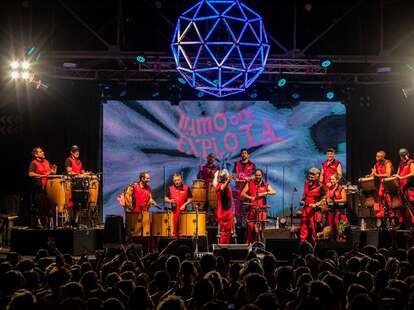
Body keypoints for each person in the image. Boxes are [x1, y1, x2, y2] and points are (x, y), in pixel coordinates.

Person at [241, 168, 276, 244]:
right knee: (251, 231)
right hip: (252, 211)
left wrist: (264, 193)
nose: (258, 177)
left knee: (260, 231)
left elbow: (274, 192)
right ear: (254, 175)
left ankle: (261, 246)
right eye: (256, 175)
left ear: (262, 176)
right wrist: (251, 197)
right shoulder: (250, 183)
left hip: (261, 212)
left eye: (259, 175)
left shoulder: (265, 184)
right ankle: (250, 248)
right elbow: (242, 193)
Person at [28, 147, 57, 227]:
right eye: (40, 152)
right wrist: (42, 175)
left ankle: (49, 223)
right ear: (36, 154)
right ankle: (39, 223)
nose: (43, 152)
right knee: (39, 206)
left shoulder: (47, 161)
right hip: (39, 188)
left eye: (42, 151)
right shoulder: (33, 163)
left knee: (49, 206)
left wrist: (54, 169)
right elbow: (30, 174)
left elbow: (53, 173)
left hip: (48, 188)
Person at [300, 168, 325, 245]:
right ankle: (302, 246)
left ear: (318, 175)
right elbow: (305, 193)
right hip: (306, 209)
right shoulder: (306, 183)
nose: (311, 176)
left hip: (315, 210)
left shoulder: (321, 186)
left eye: (313, 175)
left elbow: (325, 198)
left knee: (314, 230)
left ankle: (315, 249)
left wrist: (317, 204)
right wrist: (302, 200)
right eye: (310, 174)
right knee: (303, 228)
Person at [164, 173, 192, 238]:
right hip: (174, 213)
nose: (176, 182)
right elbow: (165, 198)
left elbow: (190, 199)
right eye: (175, 180)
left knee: (183, 231)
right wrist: (170, 201)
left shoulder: (186, 187)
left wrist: (185, 204)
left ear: (181, 180)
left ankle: (183, 245)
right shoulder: (170, 188)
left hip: (183, 213)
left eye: (178, 180)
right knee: (174, 231)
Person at [233, 149, 256, 223]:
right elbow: (233, 174)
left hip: (247, 190)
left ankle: (247, 222)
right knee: (238, 207)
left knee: (247, 206)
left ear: (248, 155)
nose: (244, 154)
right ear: (241, 155)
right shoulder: (236, 163)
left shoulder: (252, 165)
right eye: (242, 153)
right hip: (238, 188)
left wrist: (247, 178)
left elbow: (254, 176)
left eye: (245, 153)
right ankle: (238, 223)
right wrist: (236, 178)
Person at [370, 150, 393, 219]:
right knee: (380, 197)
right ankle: (382, 214)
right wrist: (369, 175)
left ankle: (393, 216)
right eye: (376, 156)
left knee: (388, 199)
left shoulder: (387, 163)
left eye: (378, 156)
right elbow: (373, 174)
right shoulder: (376, 164)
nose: (376, 158)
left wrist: (377, 174)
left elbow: (388, 174)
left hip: (389, 183)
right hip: (382, 184)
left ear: (382, 157)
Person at [325, 173, 348, 241]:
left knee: (341, 230)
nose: (331, 180)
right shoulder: (329, 189)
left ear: (337, 180)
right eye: (331, 179)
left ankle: (342, 243)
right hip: (331, 212)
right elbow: (327, 198)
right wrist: (327, 201)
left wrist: (335, 201)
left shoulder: (341, 188)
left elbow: (344, 200)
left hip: (340, 212)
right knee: (332, 230)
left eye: (333, 179)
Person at [395, 148, 414, 227]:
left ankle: (413, 223)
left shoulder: (411, 162)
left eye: (404, 155)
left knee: (411, 205)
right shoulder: (401, 164)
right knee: (402, 207)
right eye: (401, 156)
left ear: (407, 154)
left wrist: (402, 177)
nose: (403, 157)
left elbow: (413, 173)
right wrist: (396, 177)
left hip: (409, 187)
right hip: (402, 187)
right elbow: (398, 174)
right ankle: (403, 223)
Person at [215, 169, 234, 244]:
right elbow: (222, 188)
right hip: (225, 213)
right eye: (227, 176)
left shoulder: (219, 185)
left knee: (226, 233)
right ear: (226, 177)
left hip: (224, 212)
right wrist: (228, 181)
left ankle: (224, 250)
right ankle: (222, 250)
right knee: (225, 234)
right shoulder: (221, 186)